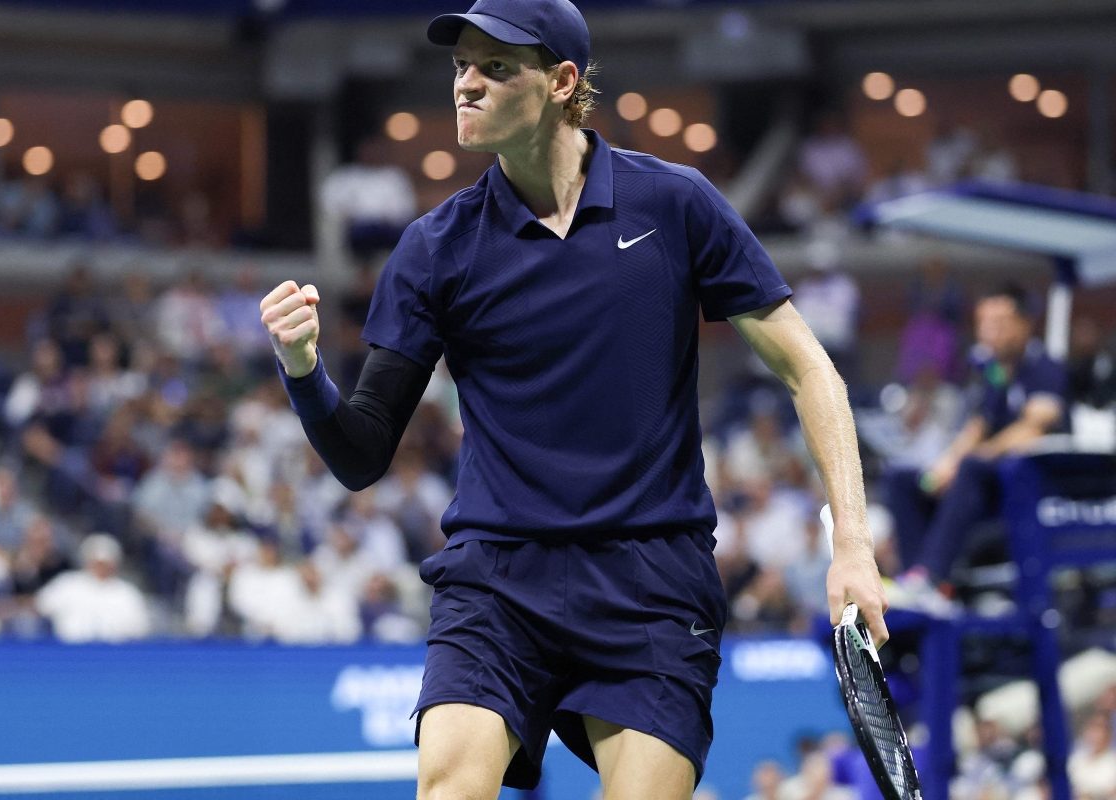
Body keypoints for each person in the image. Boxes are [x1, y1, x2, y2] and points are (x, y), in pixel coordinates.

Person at [259, 1, 886, 797]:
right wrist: (304, 368)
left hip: (651, 582)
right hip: (498, 576)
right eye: (460, 67)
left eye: (495, 67)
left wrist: (853, 546)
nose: (467, 85)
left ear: (561, 81)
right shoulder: (434, 249)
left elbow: (811, 371)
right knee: (448, 786)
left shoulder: (675, 205)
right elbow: (360, 454)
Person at [884, 283, 1068, 603]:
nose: (988, 332)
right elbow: (977, 426)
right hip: (982, 486)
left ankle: (931, 576)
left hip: (1032, 486)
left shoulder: (1043, 367)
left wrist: (971, 460)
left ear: (1025, 323)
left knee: (970, 466)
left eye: (999, 323)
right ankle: (915, 579)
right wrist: (944, 467)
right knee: (904, 478)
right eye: (983, 323)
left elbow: (1035, 427)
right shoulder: (994, 375)